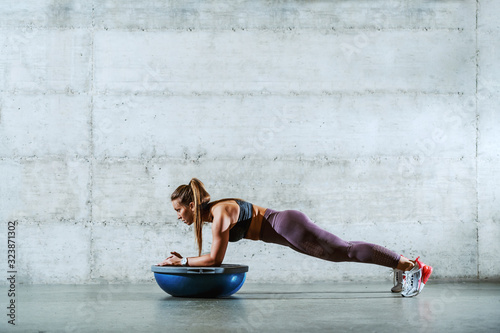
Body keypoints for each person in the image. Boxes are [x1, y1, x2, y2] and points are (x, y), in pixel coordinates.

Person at [157, 178, 433, 297]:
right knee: (341, 253)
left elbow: (216, 259)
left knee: (344, 252)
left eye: (179, 209)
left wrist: (183, 264)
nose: (178, 215)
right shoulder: (216, 213)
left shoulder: (219, 215)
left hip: (287, 225)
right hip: (286, 228)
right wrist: (187, 261)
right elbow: (212, 258)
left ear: (192, 205)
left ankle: (412, 267)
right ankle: (403, 267)